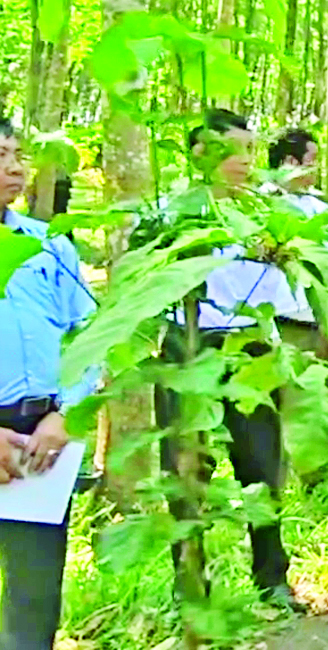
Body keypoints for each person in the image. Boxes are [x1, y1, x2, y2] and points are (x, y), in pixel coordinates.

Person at [156, 108, 305, 612]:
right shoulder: (168, 214)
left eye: (249, 149)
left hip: (250, 347)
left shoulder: (267, 216)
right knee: (185, 467)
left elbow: (289, 293)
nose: (244, 160)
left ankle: (272, 578)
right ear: (199, 153)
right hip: (187, 345)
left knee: (262, 461)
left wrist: (277, 253)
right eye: (231, 149)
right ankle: (190, 586)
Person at [0, 117, 97, 650]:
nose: (15, 168)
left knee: (34, 596)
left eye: (17, 155)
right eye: (0, 156)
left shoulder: (49, 244)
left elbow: (91, 333)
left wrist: (67, 413)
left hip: (40, 437)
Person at [264, 128, 328, 357]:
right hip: (275, 318)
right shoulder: (258, 205)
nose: (317, 167)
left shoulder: (321, 209)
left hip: (314, 318)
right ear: (290, 162)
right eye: (313, 160)